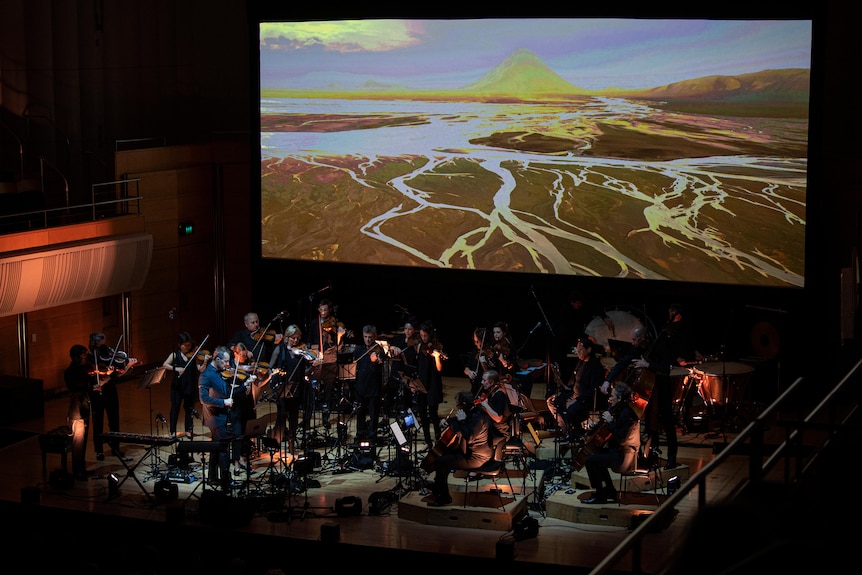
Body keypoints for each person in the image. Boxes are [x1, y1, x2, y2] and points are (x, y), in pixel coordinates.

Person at [633, 303, 698, 470]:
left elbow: (665, 367)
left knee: (668, 423)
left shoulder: (664, 344)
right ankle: (651, 454)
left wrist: (648, 365)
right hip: (652, 390)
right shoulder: (654, 345)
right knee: (650, 424)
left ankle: (671, 458)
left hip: (663, 386)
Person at [427, 390, 494, 507]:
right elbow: (460, 418)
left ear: (463, 404)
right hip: (470, 452)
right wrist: (447, 421)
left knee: (440, 462)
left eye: (458, 405)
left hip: (477, 457)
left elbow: (469, 437)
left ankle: (444, 497)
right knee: (443, 457)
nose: (457, 408)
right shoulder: (472, 410)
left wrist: (461, 421)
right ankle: (438, 488)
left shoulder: (479, 417)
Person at [582, 381, 641, 504]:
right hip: (618, 451)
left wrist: (610, 422)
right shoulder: (620, 410)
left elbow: (622, 438)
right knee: (594, 456)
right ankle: (609, 490)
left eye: (612, 396)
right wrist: (594, 427)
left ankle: (600, 495)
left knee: (590, 461)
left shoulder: (626, 414)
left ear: (619, 398)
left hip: (625, 457)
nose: (609, 399)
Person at [268, 324, 319, 454]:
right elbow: (270, 368)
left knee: (294, 417)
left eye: (297, 338)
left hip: (297, 388)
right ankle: (277, 443)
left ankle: (291, 442)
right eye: (293, 338)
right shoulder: (280, 349)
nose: (295, 341)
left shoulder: (301, 353)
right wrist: (274, 376)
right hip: (282, 388)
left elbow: (305, 372)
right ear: (287, 337)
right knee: (281, 415)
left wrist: (313, 366)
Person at [198, 346, 242, 491]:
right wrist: (223, 402)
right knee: (223, 448)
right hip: (214, 417)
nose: (228, 365)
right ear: (217, 359)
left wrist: (243, 386)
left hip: (220, 416)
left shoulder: (218, 372)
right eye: (226, 361)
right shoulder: (206, 375)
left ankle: (212, 477)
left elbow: (225, 391)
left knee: (216, 447)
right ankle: (225, 481)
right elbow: (203, 399)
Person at [548, 337, 606, 442]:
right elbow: (574, 383)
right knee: (554, 402)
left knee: (571, 409)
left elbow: (593, 389)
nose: (578, 353)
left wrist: (577, 399)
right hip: (575, 394)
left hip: (587, 398)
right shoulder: (580, 363)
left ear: (589, 350)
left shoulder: (595, 365)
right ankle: (566, 430)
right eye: (577, 350)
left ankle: (576, 433)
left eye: (580, 350)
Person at [88, 332, 135, 461]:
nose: (107, 348)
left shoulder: (109, 356)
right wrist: (106, 375)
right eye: (102, 344)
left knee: (114, 421)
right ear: (94, 344)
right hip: (96, 393)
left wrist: (127, 366)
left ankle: (116, 448)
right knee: (98, 422)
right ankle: (99, 451)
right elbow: (93, 375)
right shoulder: (90, 358)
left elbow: (117, 375)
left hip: (110, 392)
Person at [552, 290, 614, 389]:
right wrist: (585, 337)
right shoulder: (566, 313)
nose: (580, 305)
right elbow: (571, 330)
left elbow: (593, 307)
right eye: (578, 303)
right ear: (572, 302)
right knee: (566, 367)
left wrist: (604, 317)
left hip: (573, 338)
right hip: (564, 342)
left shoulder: (579, 309)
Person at [162, 332, 207, 438]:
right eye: (185, 345)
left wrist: (205, 362)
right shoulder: (175, 355)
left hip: (190, 386)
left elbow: (199, 369)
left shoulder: (194, 356)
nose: (188, 347)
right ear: (179, 345)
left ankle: (188, 429)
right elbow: (165, 364)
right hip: (177, 387)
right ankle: (173, 431)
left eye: (189, 345)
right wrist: (176, 368)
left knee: (189, 409)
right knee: (175, 409)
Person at [64, 344, 96, 480]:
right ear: (76, 357)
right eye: (83, 355)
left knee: (82, 442)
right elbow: (78, 386)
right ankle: (77, 471)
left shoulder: (82, 368)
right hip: (76, 409)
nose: (86, 358)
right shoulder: (71, 372)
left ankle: (82, 468)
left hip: (83, 407)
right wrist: (91, 383)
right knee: (78, 443)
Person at [382, 316, 419, 425]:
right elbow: (390, 346)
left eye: (410, 329)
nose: (407, 331)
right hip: (396, 371)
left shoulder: (416, 343)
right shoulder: (399, 339)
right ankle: (385, 419)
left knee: (407, 400)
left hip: (407, 373)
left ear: (414, 330)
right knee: (388, 396)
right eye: (406, 329)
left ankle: (408, 423)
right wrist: (393, 348)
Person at [414, 320, 446, 449]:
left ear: (430, 334)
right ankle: (428, 441)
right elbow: (418, 365)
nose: (423, 338)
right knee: (422, 413)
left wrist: (437, 357)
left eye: (425, 336)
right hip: (422, 383)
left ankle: (438, 440)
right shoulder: (419, 346)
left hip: (433, 384)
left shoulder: (437, 346)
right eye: (421, 335)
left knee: (433, 414)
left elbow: (439, 369)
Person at [352, 325, 385, 443]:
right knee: (360, 414)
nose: (368, 340)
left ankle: (372, 438)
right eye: (365, 337)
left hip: (373, 389)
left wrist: (375, 362)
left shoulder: (379, 350)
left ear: (375, 336)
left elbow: (380, 366)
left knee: (373, 416)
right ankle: (360, 435)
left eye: (370, 337)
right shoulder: (359, 350)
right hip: (361, 387)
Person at [475, 370, 513, 461]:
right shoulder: (492, 392)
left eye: (484, 381)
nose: (482, 382)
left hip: (499, 430)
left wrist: (485, 405)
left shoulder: (499, 395)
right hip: (492, 427)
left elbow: (498, 418)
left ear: (492, 382)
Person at [463, 326, 492, 396]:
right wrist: (469, 372)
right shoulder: (475, 351)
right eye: (474, 341)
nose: (475, 344)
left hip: (486, 390)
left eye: (477, 341)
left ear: (483, 340)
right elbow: (466, 368)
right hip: (475, 388)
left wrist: (483, 362)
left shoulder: (490, 353)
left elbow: (490, 373)